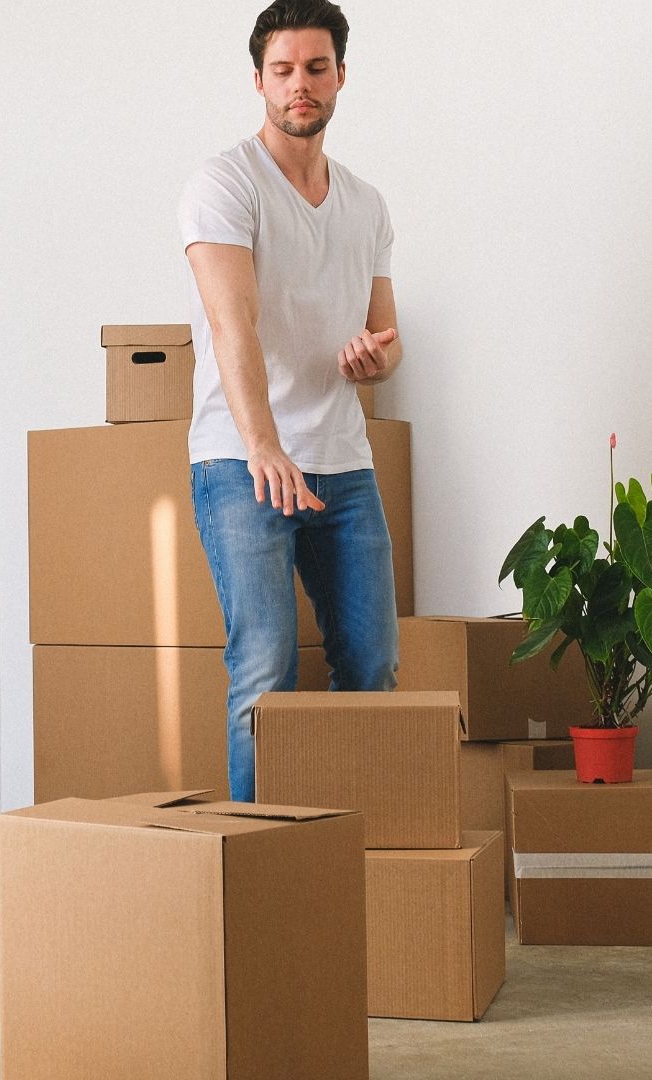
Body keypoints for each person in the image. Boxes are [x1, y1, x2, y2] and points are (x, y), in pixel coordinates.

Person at [181, 0, 402, 803]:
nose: (299, 85)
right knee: (264, 671)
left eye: (315, 68)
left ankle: (356, 850)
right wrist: (264, 445)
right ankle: (257, 872)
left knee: (372, 667)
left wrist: (374, 361)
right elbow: (232, 326)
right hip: (243, 463)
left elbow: (388, 335)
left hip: (342, 462)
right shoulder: (223, 184)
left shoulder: (366, 204)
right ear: (258, 81)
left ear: (340, 76)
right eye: (283, 71)